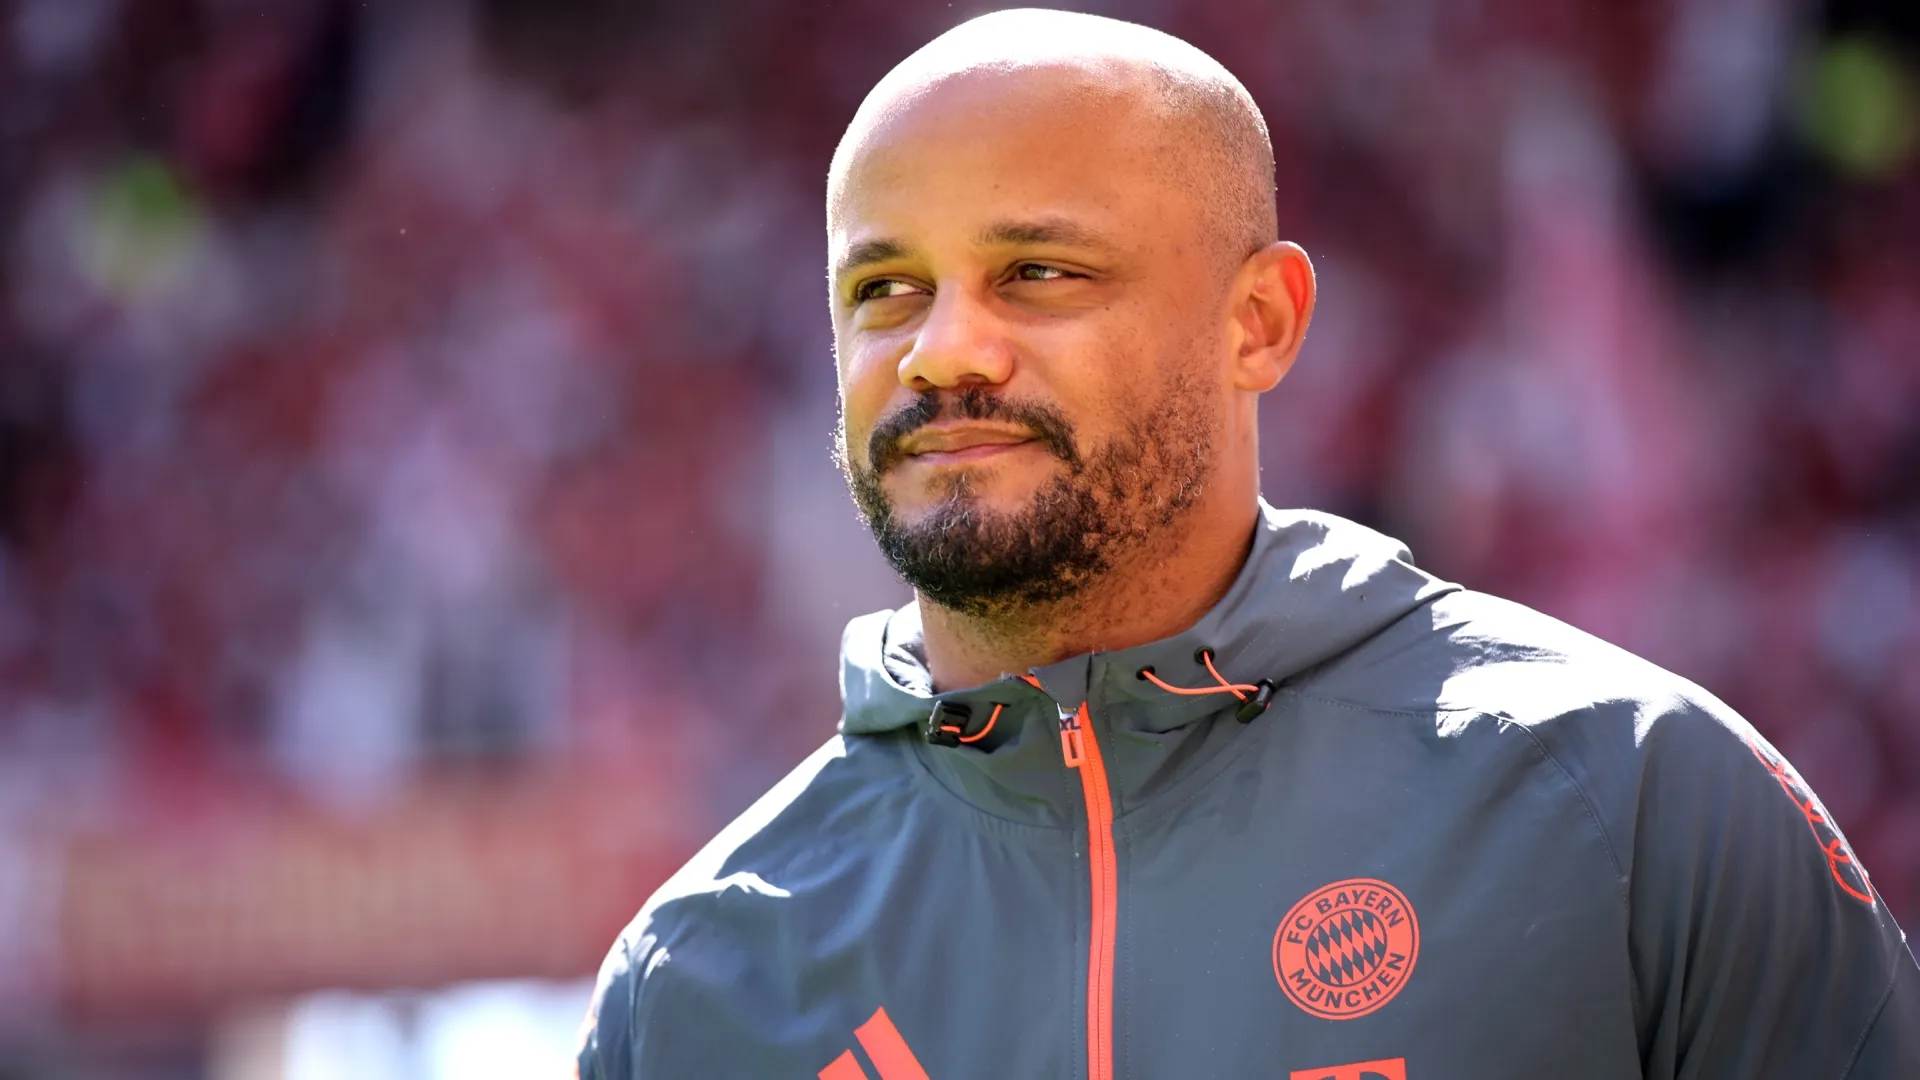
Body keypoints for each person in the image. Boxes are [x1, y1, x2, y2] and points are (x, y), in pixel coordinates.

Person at [576, 9, 1920, 1078]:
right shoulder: (695, 980)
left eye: (1039, 272)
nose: (943, 349)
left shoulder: (1630, 799)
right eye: (885, 289)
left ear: (1259, 323)